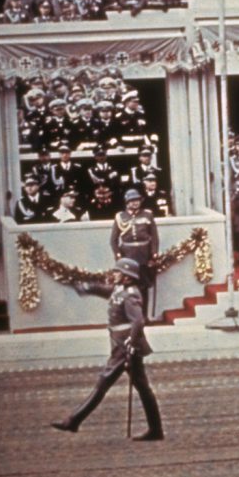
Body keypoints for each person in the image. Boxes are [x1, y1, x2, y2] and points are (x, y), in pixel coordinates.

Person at [50, 258, 164, 441]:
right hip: (122, 344)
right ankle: (156, 430)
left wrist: (131, 344)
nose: (114, 274)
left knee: (104, 382)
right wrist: (86, 288)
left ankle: (73, 421)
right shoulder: (120, 290)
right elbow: (106, 291)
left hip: (125, 347)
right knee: (142, 387)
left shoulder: (130, 294)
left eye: (118, 272)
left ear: (127, 278)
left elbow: (138, 321)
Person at [110, 189, 159, 319]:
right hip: (128, 257)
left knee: (143, 288)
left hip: (144, 256)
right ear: (127, 203)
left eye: (137, 200)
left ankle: (144, 316)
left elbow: (154, 236)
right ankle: (130, 316)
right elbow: (113, 240)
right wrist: (118, 256)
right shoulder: (121, 217)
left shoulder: (147, 215)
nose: (135, 203)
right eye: (132, 201)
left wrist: (154, 253)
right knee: (129, 288)